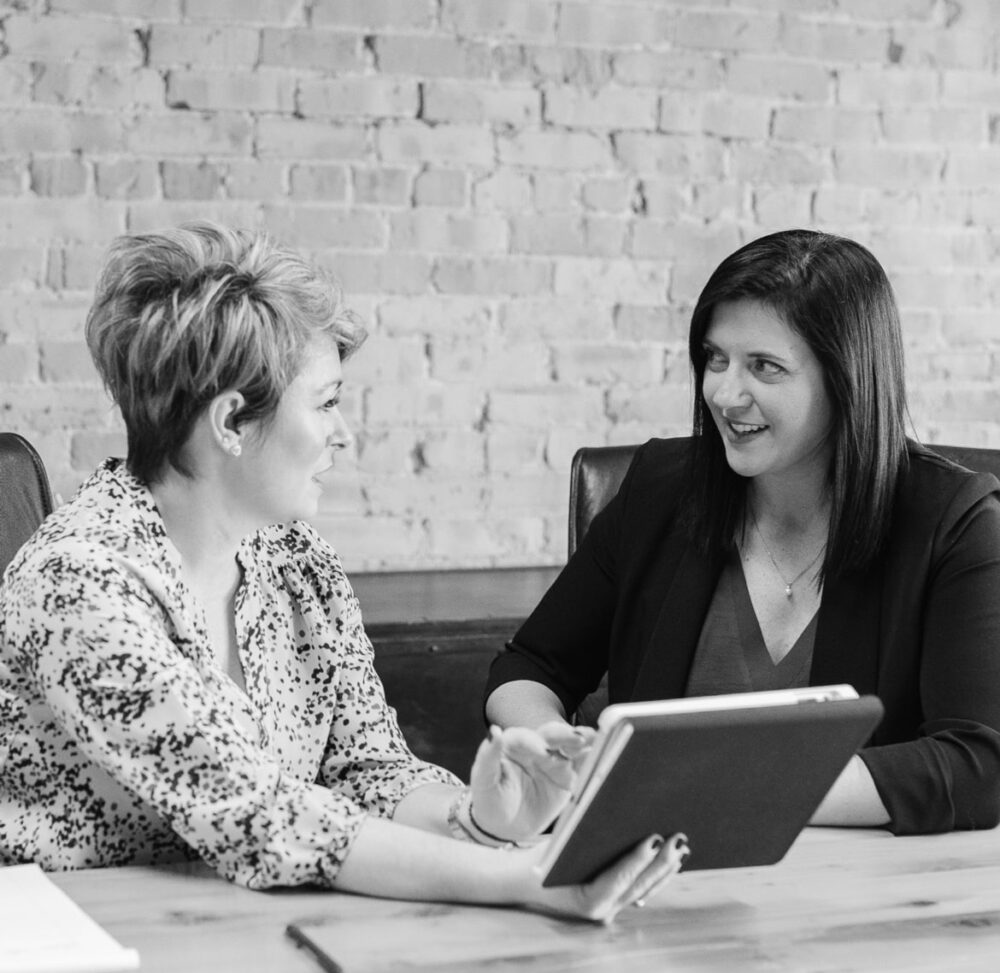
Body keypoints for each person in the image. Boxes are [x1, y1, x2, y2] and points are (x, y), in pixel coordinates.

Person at [0, 221, 686, 922]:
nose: (345, 432)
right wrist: (522, 876)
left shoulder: (298, 562)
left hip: (258, 928)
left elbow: (368, 771)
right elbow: (261, 816)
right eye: (326, 402)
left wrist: (478, 818)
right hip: (82, 935)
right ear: (230, 422)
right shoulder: (77, 582)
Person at [485, 228, 1000, 836]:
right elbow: (529, 665)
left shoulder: (955, 523)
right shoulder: (659, 489)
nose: (725, 394)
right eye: (715, 358)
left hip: (855, 881)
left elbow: (978, 765)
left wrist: (721, 786)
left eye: (765, 367)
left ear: (847, 379)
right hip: (652, 870)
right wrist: (553, 745)